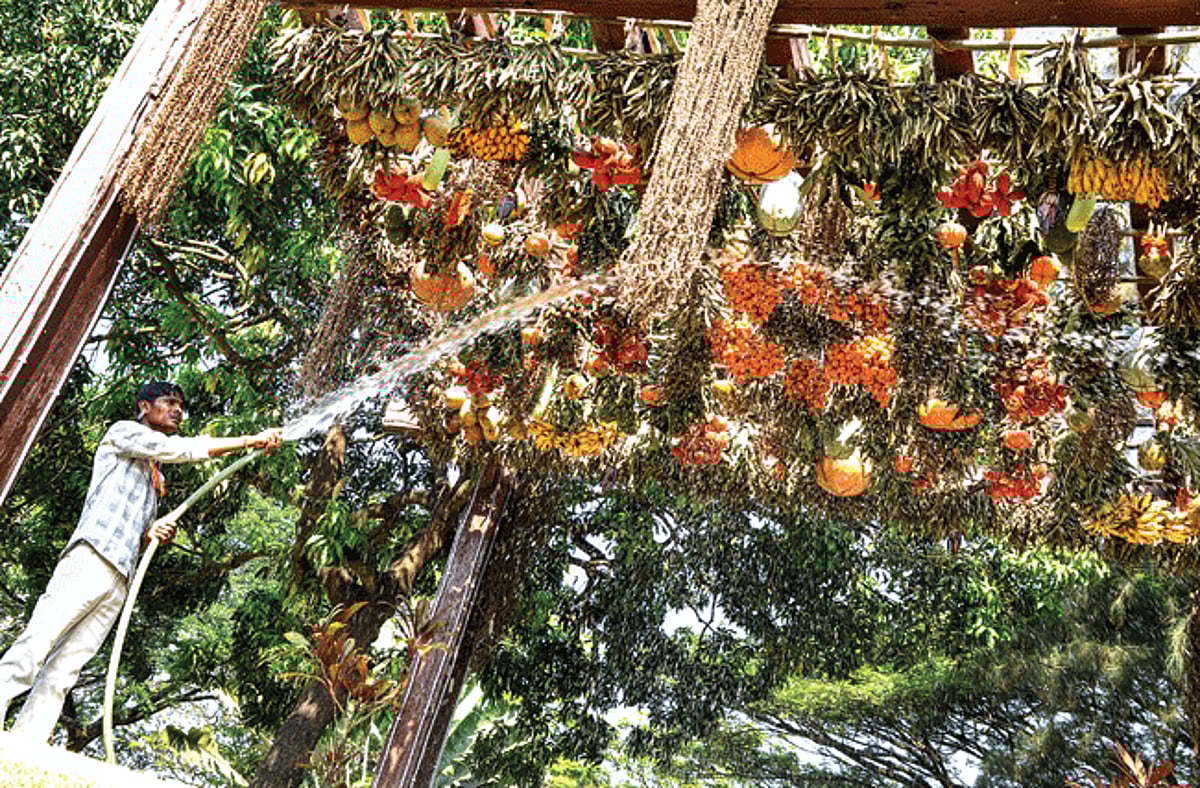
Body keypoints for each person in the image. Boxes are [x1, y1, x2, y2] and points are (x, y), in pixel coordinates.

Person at [0, 381, 281, 742]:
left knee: (67, 668)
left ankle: (26, 743)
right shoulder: (124, 433)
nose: (178, 410)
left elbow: (140, 530)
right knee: (37, 643)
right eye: (169, 402)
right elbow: (179, 449)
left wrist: (151, 533)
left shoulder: (154, 474)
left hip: (121, 576)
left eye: (181, 406)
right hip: (91, 555)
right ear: (145, 407)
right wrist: (249, 440)